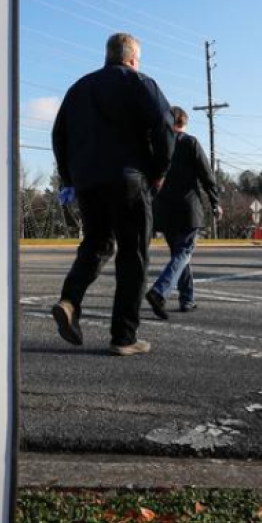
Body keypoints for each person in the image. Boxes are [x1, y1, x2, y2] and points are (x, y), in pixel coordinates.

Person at [50, 33, 175, 356]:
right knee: (132, 255)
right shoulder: (140, 83)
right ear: (132, 58)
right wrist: (159, 171)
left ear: (107, 55)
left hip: (88, 182)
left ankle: (69, 302)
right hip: (129, 180)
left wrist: (70, 177)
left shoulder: (78, 88)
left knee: (96, 244)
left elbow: (58, 134)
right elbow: (165, 125)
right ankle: (124, 336)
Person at [145, 107, 220, 318]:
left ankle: (187, 299)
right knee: (184, 253)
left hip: (164, 210)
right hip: (188, 209)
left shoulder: (157, 145)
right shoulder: (190, 142)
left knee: (179, 255)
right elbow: (207, 176)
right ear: (184, 122)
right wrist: (215, 202)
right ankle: (159, 291)